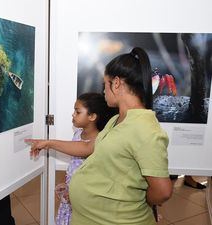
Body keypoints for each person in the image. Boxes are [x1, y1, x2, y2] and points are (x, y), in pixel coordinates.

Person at [27, 47, 173, 225]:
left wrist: (140, 203)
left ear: (117, 83)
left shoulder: (145, 129)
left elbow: (162, 191)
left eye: (106, 84)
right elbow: (88, 147)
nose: (104, 90)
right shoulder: (117, 120)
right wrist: (48, 143)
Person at [55, 93, 117, 225]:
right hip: (71, 193)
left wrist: (76, 194)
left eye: (77, 112)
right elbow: (73, 166)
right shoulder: (77, 133)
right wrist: (66, 185)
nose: (73, 114)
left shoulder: (99, 141)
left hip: (84, 197)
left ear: (92, 116)